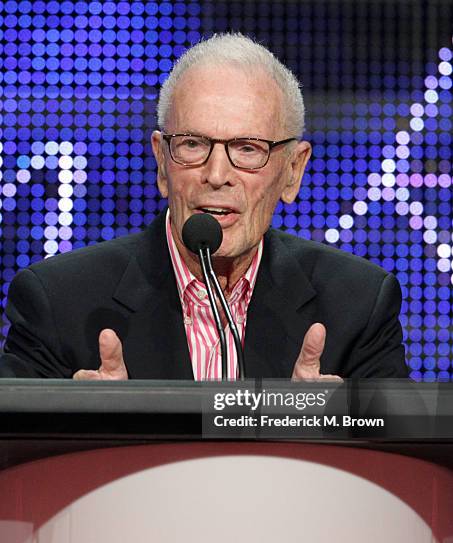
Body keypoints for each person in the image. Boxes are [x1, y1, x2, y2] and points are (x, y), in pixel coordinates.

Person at [0, 33, 408, 380]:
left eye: (248, 149)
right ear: (162, 162)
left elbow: (401, 464)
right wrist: (82, 433)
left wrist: (326, 429)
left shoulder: (359, 306)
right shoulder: (57, 303)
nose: (216, 174)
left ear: (293, 171)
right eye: (193, 145)